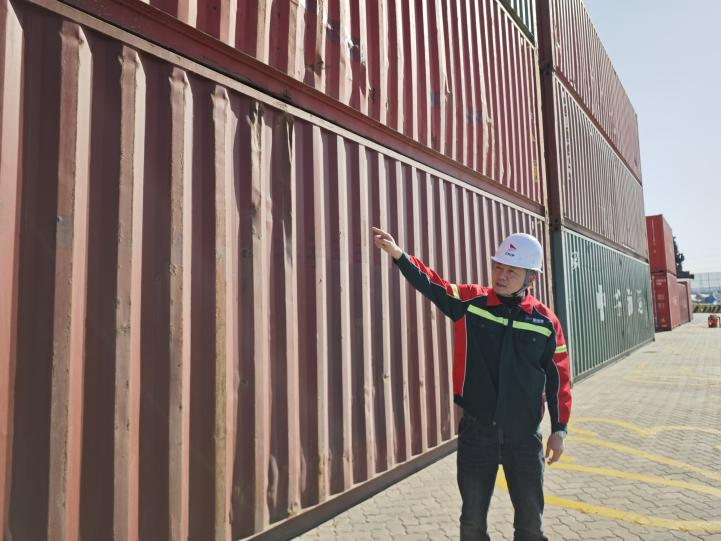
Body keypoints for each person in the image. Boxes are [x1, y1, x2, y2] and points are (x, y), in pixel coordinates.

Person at [371, 226, 571, 541]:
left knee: (530, 526)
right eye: (498, 267)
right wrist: (399, 256)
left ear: (531, 277)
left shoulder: (546, 322)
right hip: (478, 433)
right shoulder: (471, 302)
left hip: (524, 436)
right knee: (472, 523)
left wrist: (559, 430)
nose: (501, 276)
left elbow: (559, 378)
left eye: (511, 271)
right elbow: (434, 284)